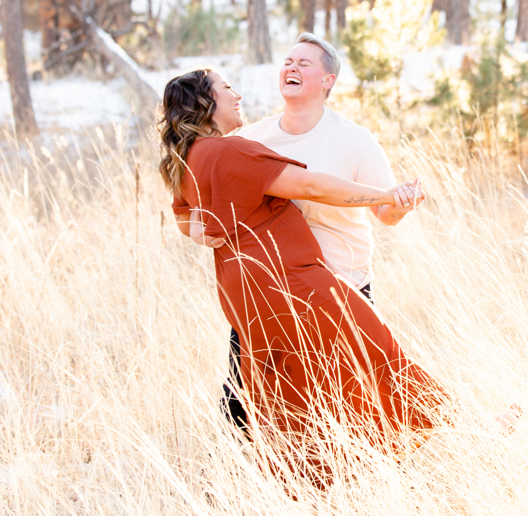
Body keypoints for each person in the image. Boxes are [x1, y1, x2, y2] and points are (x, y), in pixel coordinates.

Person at [159, 68, 448, 480]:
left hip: (242, 288)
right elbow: (310, 187)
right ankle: (458, 434)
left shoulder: (186, 159)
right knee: (374, 351)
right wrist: (385, 196)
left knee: (288, 387)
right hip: (288, 278)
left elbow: (184, 219)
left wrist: (201, 233)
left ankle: (311, 484)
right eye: (226, 89)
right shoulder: (229, 151)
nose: (237, 94)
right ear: (206, 103)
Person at [188, 34, 423, 436]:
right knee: (243, 406)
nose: (291, 68)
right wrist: (199, 229)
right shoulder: (248, 140)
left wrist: (398, 203)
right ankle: (257, 488)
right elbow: (201, 204)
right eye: (287, 61)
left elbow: (385, 212)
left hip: (339, 286)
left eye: (304, 63)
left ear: (328, 80)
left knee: (351, 401)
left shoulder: (355, 140)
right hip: (268, 291)